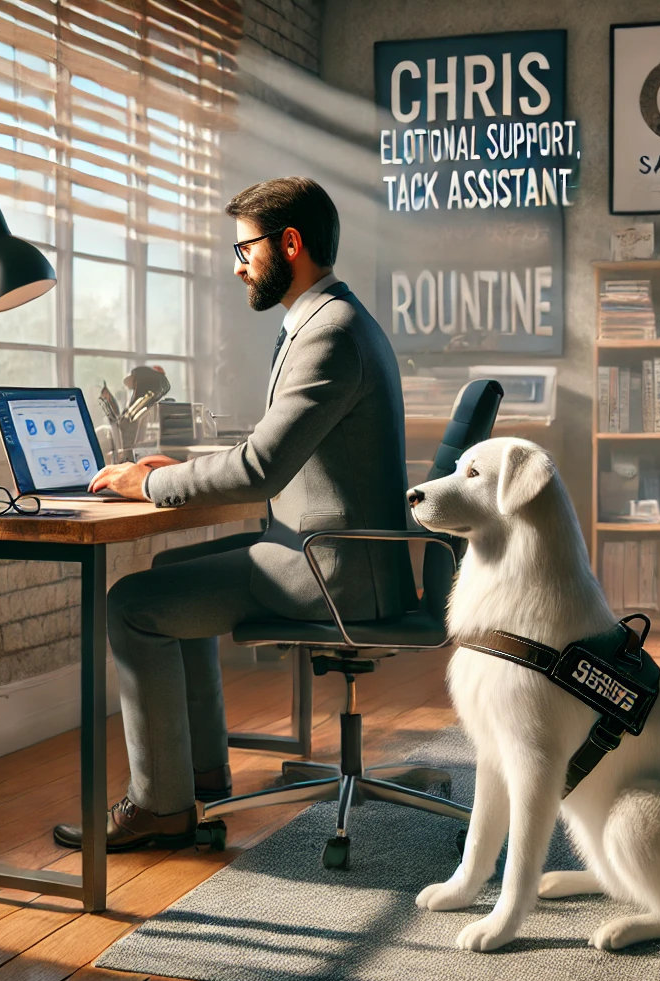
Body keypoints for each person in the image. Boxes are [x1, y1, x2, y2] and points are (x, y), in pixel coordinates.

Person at [53, 177, 417, 851]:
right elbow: (273, 445)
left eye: (244, 246)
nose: (236, 262)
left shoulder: (329, 333)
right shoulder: (332, 320)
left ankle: (160, 807)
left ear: (290, 243)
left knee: (134, 603)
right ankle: (201, 777)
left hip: (331, 570)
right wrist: (173, 471)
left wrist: (145, 485)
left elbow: (260, 470)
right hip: (343, 556)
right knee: (169, 571)